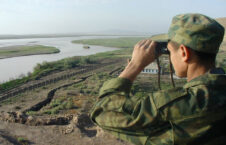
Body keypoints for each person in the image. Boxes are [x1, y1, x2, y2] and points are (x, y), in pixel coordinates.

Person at [90, 13, 226, 145]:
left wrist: (134, 65)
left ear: (184, 53)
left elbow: (102, 110)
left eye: (170, 51)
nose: (170, 57)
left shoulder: (178, 105)